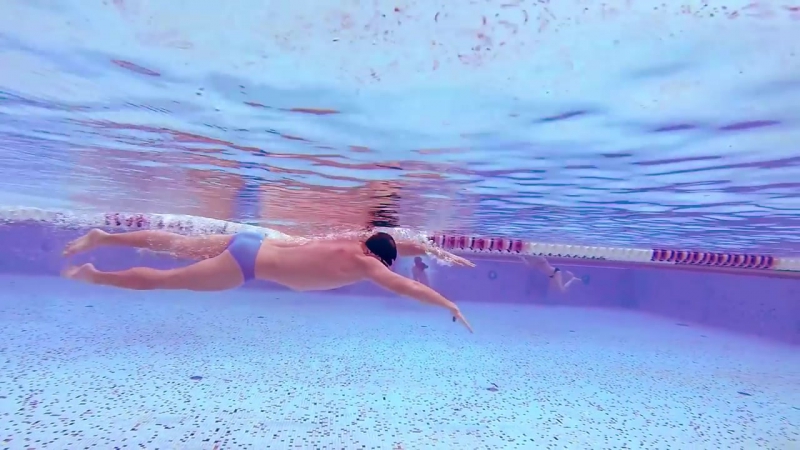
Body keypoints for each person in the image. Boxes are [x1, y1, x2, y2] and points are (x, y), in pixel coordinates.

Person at [61, 229, 474, 332]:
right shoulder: (368, 265)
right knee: (167, 280)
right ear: (378, 260)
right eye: (385, 265)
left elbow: (402, 243)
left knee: (175, 243)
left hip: (254, 239)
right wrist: (450, 304)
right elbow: (409, 287)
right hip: (246, 264)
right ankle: (95, 276)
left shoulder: (357, 240)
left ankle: (105, 237)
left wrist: (437, 251)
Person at [521, 255, 586, 293]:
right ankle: (576, 279)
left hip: (555, 272)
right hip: (551, 274)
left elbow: (529, 265)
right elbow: (529, 265)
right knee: (554, 290)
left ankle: (572, 279)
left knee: (562, 290)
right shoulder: (534, 260)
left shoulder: (539, 258)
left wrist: (522, 257)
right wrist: (522, 257)